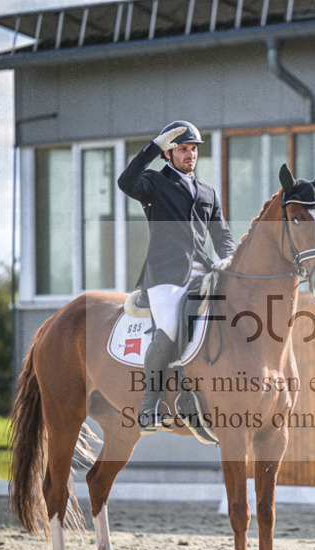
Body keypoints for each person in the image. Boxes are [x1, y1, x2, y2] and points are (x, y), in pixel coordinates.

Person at [117, 121, 235, 435]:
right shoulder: (154, 183)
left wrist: (227, 256)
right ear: (170, 153)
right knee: (169, 327)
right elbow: (126, 181)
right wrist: (152, 147)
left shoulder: (208, 192)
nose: (190, 154)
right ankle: (148, 408)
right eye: (183, 149)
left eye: (194, 149)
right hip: (165, 275)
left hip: (203, 270)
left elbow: (222, 235)